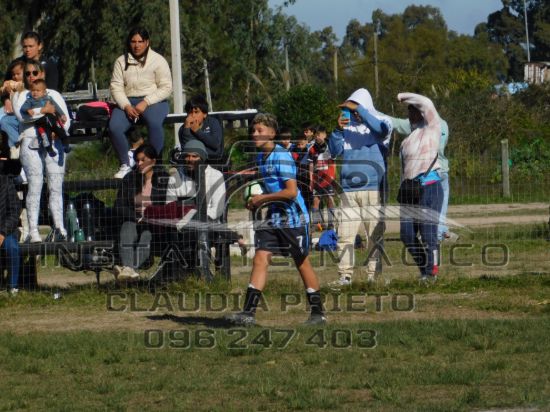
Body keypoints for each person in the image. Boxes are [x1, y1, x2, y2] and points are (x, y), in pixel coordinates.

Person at [225, 113, 326, 326]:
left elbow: (291, 192)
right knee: (260, 258)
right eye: (253, 130)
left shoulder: (281, 156)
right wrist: (255, 200)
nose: (255, 134)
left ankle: (318, 314)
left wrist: (262, 198)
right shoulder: (261, 157)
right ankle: (248, 313)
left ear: (272, 133)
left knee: (301, 261)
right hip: (274, 215)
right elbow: (270, 188)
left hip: (293, 217)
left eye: (260, 130)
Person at [327, 88, 393, 288]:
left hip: (373, 187)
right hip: (348, 190)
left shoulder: (382, 120)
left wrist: (361, 112)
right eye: (350, 109)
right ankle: (344, 276)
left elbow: (382, 131)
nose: (352, 113)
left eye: (354, 108)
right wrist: (338, 130)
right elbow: (334, 151)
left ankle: (374, 276)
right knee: (344, 235)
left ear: (364, 107)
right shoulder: (346, 128)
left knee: (374, 234)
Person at [13, 60, 71, 243]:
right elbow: (22, 116)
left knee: (56, 186)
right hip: (30, 142)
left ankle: (60, 228)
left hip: (53, 141)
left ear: (42, 74)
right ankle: (33, 231)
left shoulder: (53, 94)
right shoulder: (21, 95)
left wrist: (58, 131)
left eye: (35, 73)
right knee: (35, 186)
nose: (31, 77)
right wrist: (44, 109)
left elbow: (66, 118)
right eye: (27, 73)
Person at [109, 27, 172, 179]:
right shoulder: (120, 61)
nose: (137, 45)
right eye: (133, 42)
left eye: (140, 42)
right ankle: (126, 163)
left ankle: (154, 164)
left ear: (147, 42)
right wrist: (126, 105)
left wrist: (146, 101)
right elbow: (116, 86)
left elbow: (166, 87)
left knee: (154, 123)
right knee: (114, 127)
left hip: (154, 100)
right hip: (127, 101)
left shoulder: (158, 60)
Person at [396, 92, 443, 281]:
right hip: (410, 191)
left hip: (430, 186)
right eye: (409, 111)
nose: (411, 114)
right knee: (406, 234)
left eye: (414, 110)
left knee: (428, 232)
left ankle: (431, 273)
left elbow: (426, 102)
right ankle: (425, 268)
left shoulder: (432, 127)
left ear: (422, 113)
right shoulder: (406, 141)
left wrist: (403, 96)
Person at [391, 113, 456, 242]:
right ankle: (439, 231)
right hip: (443, 169)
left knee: (424, 205)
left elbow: (396, 123)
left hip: (427, 171)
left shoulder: (421, 125)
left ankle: (430, 233)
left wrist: (370, 112)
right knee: (441, 206)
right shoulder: (443, 124)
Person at [113, 144, 169, 281]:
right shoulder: (129, 179)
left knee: (146, 236)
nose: (139, 164)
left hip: (154, 222)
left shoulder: (164, 179)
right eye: (137, 160)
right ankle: (129, 270)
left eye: (143, 160)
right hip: (134, 219)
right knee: (127, 228)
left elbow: (168, 205)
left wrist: (151, 217)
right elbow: (119, 205)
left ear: (153, 161)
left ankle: (128, 269)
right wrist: (136, 218)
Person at [166, 140, 226, 221]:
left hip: (209, 223)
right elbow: (169, 206)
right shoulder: (175, 177)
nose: (190, 159)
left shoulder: (216, 176)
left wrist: (193, 217)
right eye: (187, 156)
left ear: (202, 158)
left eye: (194, 156)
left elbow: (217, 210)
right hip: (180, 224)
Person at [20, 79, 70, 156]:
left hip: (52, 119)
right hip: (41, 122)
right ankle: (50, 150)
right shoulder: (30, 101)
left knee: (60, 130)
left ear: (44, 92)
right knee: (46, 136)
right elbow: (22, 108)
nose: (35, 92)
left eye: (38, 90)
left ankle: (66, 145)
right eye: (33, 90)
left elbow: (56, 107)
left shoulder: (48, 98)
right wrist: (27, 110)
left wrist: (62, 114)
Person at [178, 95, 223, 164]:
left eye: (196, 112)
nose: (193, 115)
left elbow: (215, 144)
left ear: (204, 114)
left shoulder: (213, 123)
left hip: (212, 161)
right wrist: (186, 130)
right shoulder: (183, 129)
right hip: (191, 163)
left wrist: (197, 131)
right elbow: (187, 149)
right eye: (190, 112)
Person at [308, 125, 336, 227]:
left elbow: (334, 164)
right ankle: (317, 224)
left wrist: (333, 177)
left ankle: (331, 223)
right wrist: (311, 180)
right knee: (316, 201)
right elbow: (311, 165)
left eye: (319, 135)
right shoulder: (312, 149)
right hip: (317, 179)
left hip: (329, 179)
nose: (317, 137)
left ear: (324, 135)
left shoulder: (331, 147)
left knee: (330, 200)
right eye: (316, 135)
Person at [0, 174, 22, 295]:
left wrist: (2, 232)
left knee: (12, 247)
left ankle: (13, 286)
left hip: (7, 230)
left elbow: (15, 211)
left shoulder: (6, 183)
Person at [1, 59, 26, 158]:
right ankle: (16, 142)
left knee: (6, 121)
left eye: (18, 74)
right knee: (3, 119)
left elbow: (21, 87)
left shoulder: (26, 83)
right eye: (13, 74)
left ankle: (16, 144)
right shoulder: (10, 82)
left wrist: (13, 87)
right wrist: (4, 89)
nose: (15, 76)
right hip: (12, 112)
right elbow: (2, 90)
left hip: (23, 113)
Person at [290, 134, 312, 210]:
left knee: (308, 197)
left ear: (306, 142)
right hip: (297, 177)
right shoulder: (293, 151)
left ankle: (308, 213)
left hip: (307, 177)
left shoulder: (309, 151)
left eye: (302, 144)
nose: (300, 146)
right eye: (298, 144)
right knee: (299, 197)